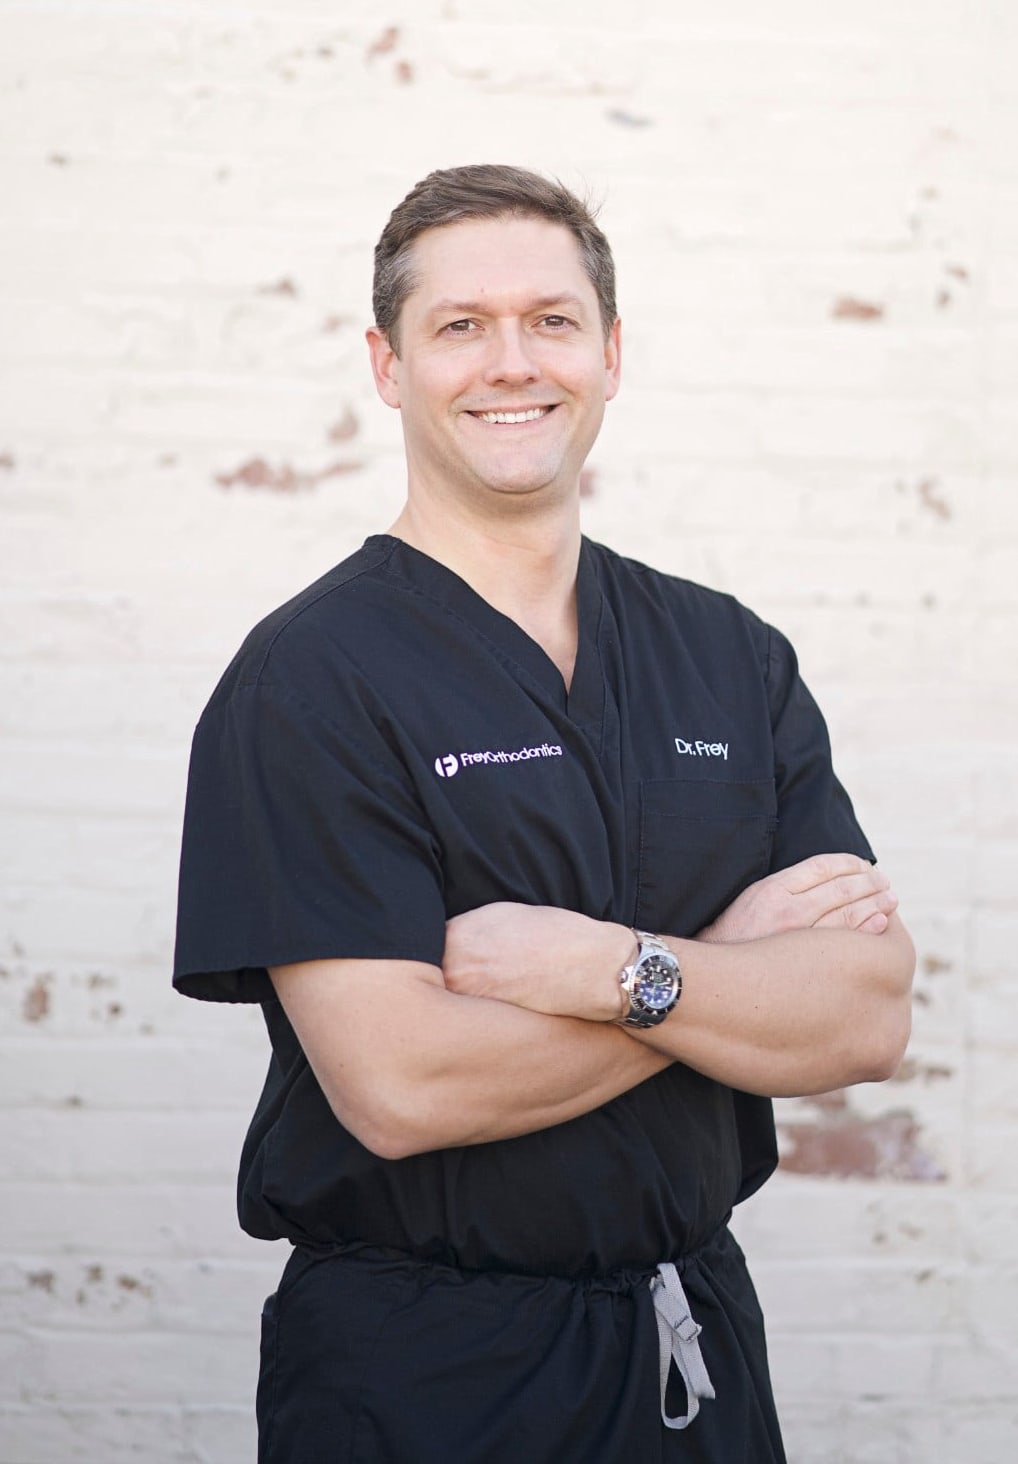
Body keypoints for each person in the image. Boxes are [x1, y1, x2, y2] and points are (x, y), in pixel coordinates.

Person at [173, 164, 915, 1463]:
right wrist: (735, 980)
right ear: (387, 364)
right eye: (458, 325)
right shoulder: (313, 681)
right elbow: (402, 1083)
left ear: (611, 354)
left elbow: (862, 1014)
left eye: (551, 320)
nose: (509, 362)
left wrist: (603, 972)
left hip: (692, 1348)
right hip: (428, 1375)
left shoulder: (727, 655)